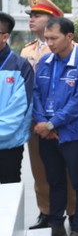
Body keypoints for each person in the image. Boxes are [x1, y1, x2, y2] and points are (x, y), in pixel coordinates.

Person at [33, 17, 78, 236]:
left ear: (69, 37)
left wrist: (51, 125)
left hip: (72, 134)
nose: (48, 43)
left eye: (54, 38)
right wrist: (42, 123)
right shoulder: (44, 62)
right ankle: (56, 224)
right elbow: (37, 95)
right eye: (46, 38)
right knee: (55, 180)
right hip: (47, 133)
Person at [20, 0, 76, 230]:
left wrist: (55, 123)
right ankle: (46, 212)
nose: (32, 19)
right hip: (36, 121)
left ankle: (73, 213)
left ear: (53, 19)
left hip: (63, 122)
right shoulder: (27, 51)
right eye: (31, 16)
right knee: (39, 169)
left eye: (37, 15)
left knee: (68, 173)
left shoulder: (71, 49)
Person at [0, 12, 33, 183]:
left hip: (8, 147)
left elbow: (19, 110)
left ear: (5, 36)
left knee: (6, 199)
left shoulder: (21, 67)